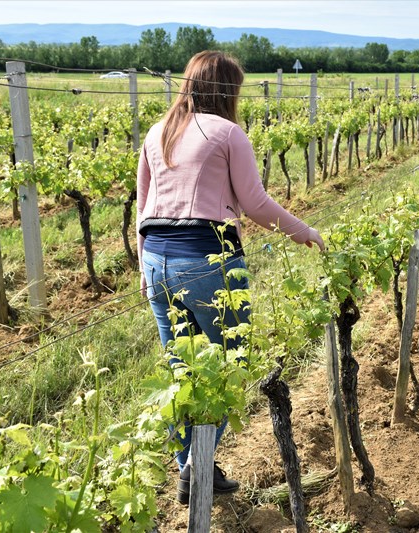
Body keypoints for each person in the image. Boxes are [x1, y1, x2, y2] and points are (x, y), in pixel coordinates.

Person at [136, 50, 324, 502]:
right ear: (227, 89)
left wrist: (145, 269)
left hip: (156, 259)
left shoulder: (158, 131)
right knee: (229, 369)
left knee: (181, 371)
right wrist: (305, 232)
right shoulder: (227, 133)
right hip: (207, 260)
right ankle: (195, 468)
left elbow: (143, 206)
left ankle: (191, 466)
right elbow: (256, 204)